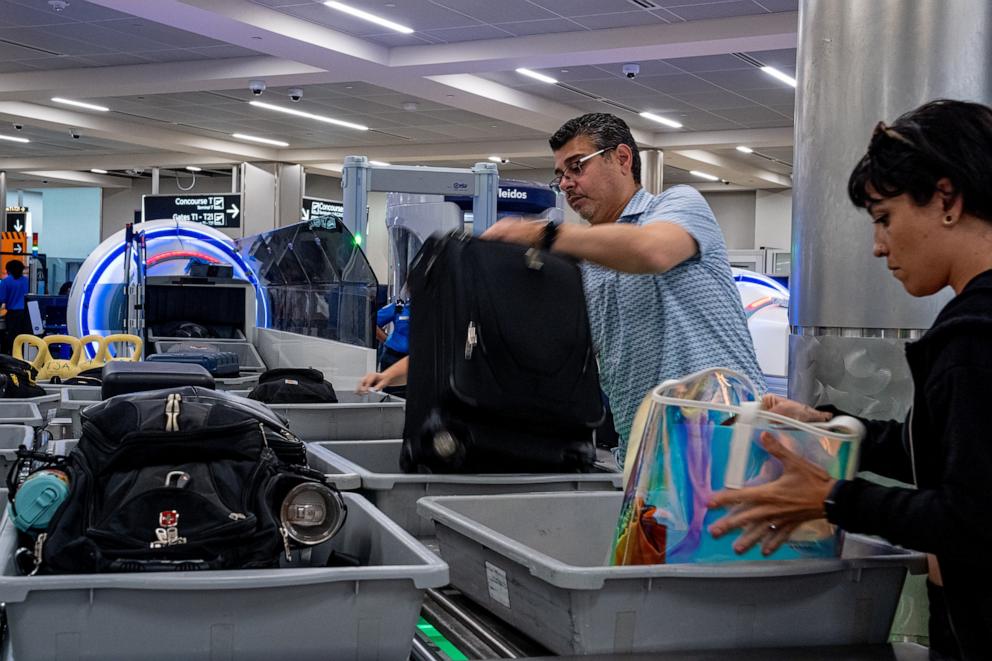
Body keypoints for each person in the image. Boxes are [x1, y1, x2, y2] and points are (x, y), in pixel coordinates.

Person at [707, 99, 992, 660]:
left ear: (947, 199)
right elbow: (950, 457)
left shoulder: (973, 338)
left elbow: (973, 520)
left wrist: (833, 498)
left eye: (884, 217)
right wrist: (833, 430)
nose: (878, 245)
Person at [481, 113, 765, 463]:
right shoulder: (587, 265)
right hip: (647, 450)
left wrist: (542, 234)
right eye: (561, 176)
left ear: (622, 159)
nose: (567, 183)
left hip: (723, 435)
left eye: (576, 167)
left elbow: (651, 250)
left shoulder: (678, 205)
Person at [0, 260, 32, 356]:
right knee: (24, 339)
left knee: (13, 339)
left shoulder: (6, 282)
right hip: (27, 314)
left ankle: (13, 358)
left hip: (13, 315)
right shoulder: (27, 281)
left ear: (9, 270)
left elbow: (2, 299)